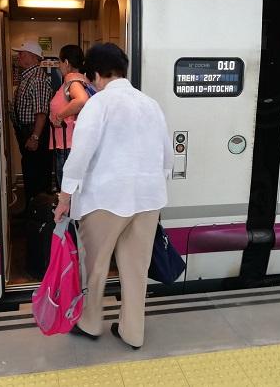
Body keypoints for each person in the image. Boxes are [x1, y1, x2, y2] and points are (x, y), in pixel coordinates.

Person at [53, 43, 174, 350]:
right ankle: (133, 332)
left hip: (105, 200)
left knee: (95, 265)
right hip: (148, 200)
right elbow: (167, 158)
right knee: (135, 269)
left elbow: (80, 156)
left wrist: (65, 197)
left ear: (94, 73)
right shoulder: (150, 104)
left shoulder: (99, 104)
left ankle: (91, 323)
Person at [10, 41, 52, 205]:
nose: (18, 56)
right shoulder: (28, 76)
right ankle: (32, 209)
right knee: (30, 171)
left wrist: (34, 137)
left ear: (34, 57)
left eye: (22, 54)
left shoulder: (37, 79)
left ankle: (39, 214)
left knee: (37, 174)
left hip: (35, 132)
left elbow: (41, 112)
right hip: (28, 131)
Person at [49, 45, 90, 188]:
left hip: (67, 146)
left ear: (66, 62)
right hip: (73, 143)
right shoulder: (84, 80)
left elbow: (81, 100)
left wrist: (59, 116)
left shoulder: (71, 79)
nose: (59, 66)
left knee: (67, 190)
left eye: (60, 62)